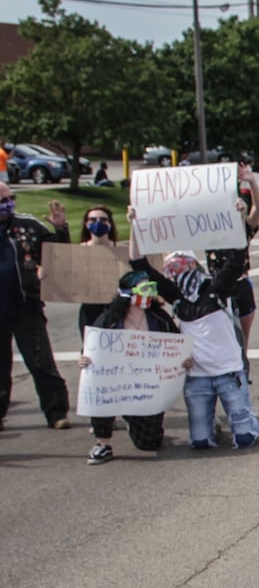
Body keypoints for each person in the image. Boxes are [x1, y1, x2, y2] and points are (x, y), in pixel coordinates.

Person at [126, 210, 258, 450]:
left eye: (182, 265)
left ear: (194, 266)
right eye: (171, 268)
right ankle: (210, 425)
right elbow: (138, 263)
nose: (177, 271)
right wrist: (134, 225)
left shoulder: (217, 288)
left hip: (228, 372)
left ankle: (247, 420)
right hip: (197, 377)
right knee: (200, 442)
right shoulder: (176, 297)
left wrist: (238, 218)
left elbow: (238, 256)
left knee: (245, 438)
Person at [78, 271, 186, 465]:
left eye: (151, 289)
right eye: (144, 289)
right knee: (100, 389)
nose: (149, 294)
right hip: (114, 381)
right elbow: (90, 348)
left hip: (146, 386)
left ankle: (131, 420)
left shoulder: (159, 319)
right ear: (128, 293)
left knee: (149, 442)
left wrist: (183, 359)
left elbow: (177, 345)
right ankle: (102, 443)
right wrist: (84, 359)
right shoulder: (109, 320)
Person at [0, 183, 71, 431]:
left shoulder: (28, 226)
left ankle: (56, 413)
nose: (7, 205)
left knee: (40, 361)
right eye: (2, 201)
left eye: (10, 199)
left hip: (26, 305)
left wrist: (60, 227)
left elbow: (57, 253)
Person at [205, 164, 259, 354]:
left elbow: (258, 208)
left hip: (240, 287)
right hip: (217, 287)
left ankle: (242, 369)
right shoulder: (208, 230)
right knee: (221, 336)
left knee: (242, 340)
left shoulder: (244, 229)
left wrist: (252, 182)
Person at [76, 204, 119, 337]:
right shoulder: (77, 251)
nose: (98, 223)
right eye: (93, 220)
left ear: (110, 223)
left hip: (117, 307)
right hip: (90, 308)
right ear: (86, 223)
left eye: (103, 219)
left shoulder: (122, 251)